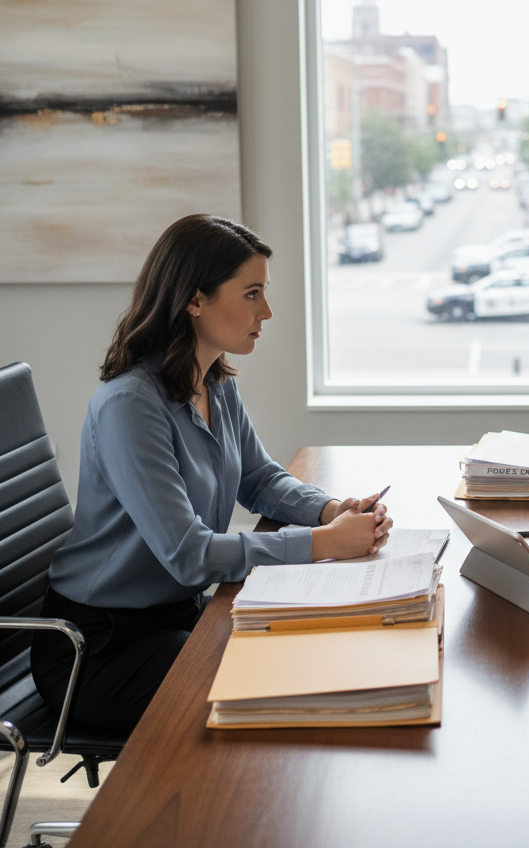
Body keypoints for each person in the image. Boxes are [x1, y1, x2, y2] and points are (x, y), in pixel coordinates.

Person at [31, 215, 393, 732]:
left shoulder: (214, 383)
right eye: (251, 294)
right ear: (194, 300)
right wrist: (323, 543)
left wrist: (332, 511)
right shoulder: (129, 405)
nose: (266, 311)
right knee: (270, 686)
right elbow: (190, 555)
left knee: (303, 649)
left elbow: (259, 479)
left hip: (174, 617)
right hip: (96, 649)